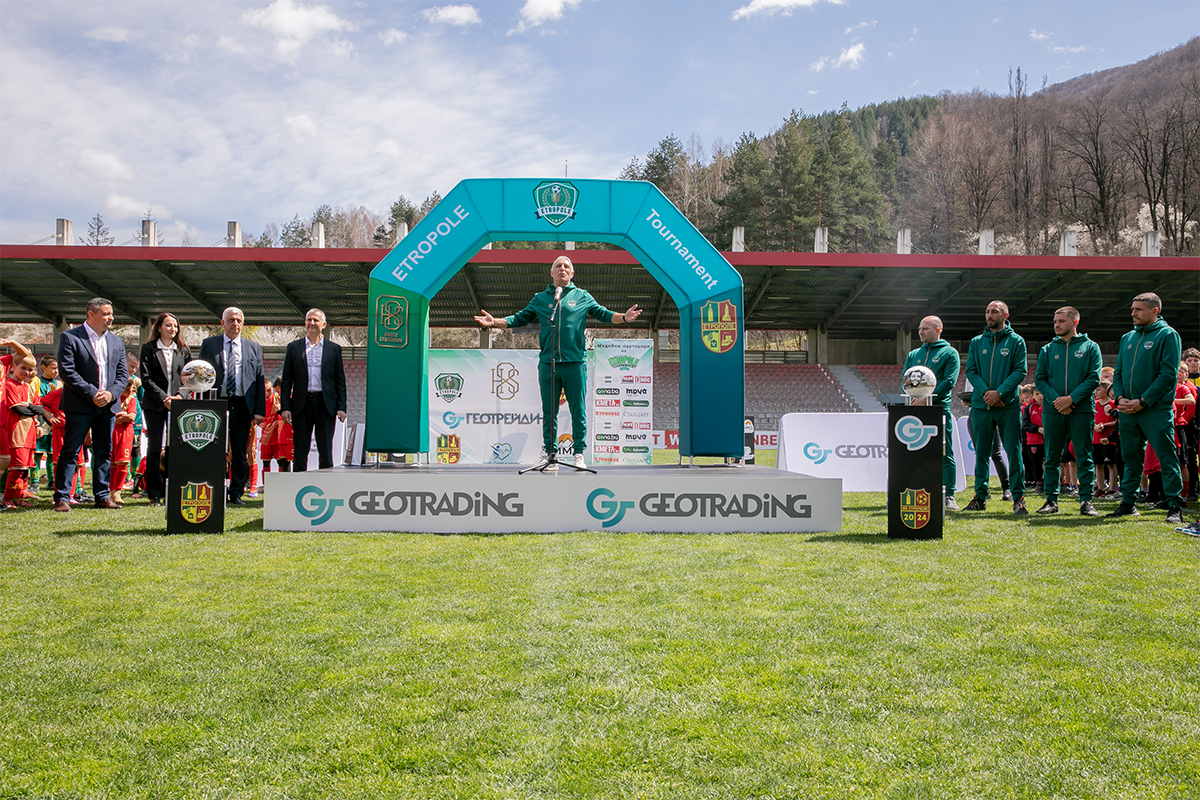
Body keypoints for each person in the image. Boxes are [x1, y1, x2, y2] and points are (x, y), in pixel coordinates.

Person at [474, 255, 642, 470]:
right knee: (549, 412)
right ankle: (551, 455)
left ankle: (578, 454)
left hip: (575, 363)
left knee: (577, 411)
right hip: (548, 363)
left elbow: (604, 314)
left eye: (566, 266)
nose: (562, 269)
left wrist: (625, 317)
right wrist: (494, 322)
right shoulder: (540, 298)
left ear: (572, 274)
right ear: (551, 273)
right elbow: (519, 318)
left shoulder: (582, 296)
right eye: (558, 266)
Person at [1109, 292, 1184, 523]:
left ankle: (1174, 506)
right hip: (1128, 409)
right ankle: (1128, 503)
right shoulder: (1127, 337)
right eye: (1132, 309)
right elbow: (1118, 371)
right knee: (1130, 458)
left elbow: (1168, 375)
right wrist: (1120, 398)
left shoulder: (1168, 335)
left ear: (1155, 311)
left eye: (1138, 309)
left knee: (1166, 457)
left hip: (1154, 409)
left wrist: (1143, 401)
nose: (1133, 313)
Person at [53, 298, 128, 512]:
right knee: (71, 450)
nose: (111, 318)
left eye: (111, 314)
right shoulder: (70, 337)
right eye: (106, 314)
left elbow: (123, 375)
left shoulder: (116, 341)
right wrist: (93, 393)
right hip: (80, 404)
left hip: (108, 405)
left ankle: (102, 495)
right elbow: (67, 371)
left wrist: (111, 395)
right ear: (91, 314)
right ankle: (62, 497)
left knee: (104, 451)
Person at [1034, 306, 1102, 516]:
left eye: (1061, 321)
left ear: (1074, 322)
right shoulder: (1047, 349)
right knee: (1052, 457)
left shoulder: (1091, 347)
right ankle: (1051, 500)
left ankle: (1086, 501)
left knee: (1084, 455)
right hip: (1053, 410)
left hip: (1080, 409)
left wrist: (1071, 399)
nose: (1057, 325)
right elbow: (1040, 379)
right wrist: (1057, 401)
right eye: (1055, 321)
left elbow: (1093, 378)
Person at [963, 300, 1028, 513]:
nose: (989, 315)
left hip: (1007, 405)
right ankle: (979, 497)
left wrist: (999, 393)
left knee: (1013, 451)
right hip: (982, 406)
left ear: (1005, 315)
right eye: (987, 311)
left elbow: (1020, 371)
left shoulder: (1016, 341)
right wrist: (985, 393)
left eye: (994, 311)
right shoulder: (976, 342)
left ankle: (1018, 498)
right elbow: (971, 371)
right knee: (981, 453)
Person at [198, 307, 265, 506]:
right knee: (212, 448)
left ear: (243, 324)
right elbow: (201, 376)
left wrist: (259, 410)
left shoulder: (253, 347)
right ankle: (212, 489)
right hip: (216, 402)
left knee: (239, 451)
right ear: (222, 323)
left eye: (238, 320)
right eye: (231, 320)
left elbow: (259, 381)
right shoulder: (209, 344)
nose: (235, 324)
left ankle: (235, 493)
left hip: (242, 404)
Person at [904, 315, 961, 510]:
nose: (921, 332)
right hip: (915, 411)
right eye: (920, 329)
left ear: (938, 330)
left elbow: (949, 382)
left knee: (945, 452)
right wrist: (913, 398)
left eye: (925, 329)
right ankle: (913, 490)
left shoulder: (950, 353)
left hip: (938, 410)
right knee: (913, 453)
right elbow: (905, 380)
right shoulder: (913, 355)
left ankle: (949, 495)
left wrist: (926, 399)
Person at [280, 309, 347, 471]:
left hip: (326, 404)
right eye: (309, 320)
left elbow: (340, 380)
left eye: (316, 320)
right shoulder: (294, 348)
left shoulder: (334, 349)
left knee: (325, 449)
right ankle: (298, 485)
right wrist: (285, 407)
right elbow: (287, 380)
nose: (312, 323)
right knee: (301, 448)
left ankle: (326, 486)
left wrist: (341, 406)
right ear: (305, 323)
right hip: (301, 404)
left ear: (323, 325)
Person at [138, 313, 191, 507]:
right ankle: (154, 493)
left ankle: (175, 489)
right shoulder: (149, 349)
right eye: (168, 325)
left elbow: (190, 377)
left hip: (179, 404)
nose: (173, 329)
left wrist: (179, 396)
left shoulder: (183, 350)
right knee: (153, 448)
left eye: (175, 326)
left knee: (177, 447)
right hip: (155, 405)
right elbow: (146, 378)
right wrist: (164, 398)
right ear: (159, 327)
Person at [1, 339, 39, 508]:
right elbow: (20, 409)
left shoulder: (28, 386)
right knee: (16, 466)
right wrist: (36, 410)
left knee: (25, 468)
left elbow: (37, 406)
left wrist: (35, 413)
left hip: (28, 430)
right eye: (23, 368)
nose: (26, 372)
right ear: (13, 367)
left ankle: (18, 496)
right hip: (16, 430)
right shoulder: (10, 384)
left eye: (29, 369)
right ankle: (7, 497)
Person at [30, 355, 61, 494]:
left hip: (57, 424)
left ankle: (52, 480)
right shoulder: (37, 382)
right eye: (53, 368)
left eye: (57, 368)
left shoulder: (60, 384)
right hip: (42, 422)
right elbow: (37, 401)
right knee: (37, 452)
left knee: (52, 452)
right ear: (43, 368)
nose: (56, 371)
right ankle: (35, 482)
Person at [109, 375, 140, 506]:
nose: (130, 389)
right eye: (127, 387)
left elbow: (131, 416)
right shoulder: (113, 398)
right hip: (112, 431)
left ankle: (117, 491)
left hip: (126, 433)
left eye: (131, 387)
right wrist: (119, 415)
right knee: (111, 463)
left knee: (123, 462)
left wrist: (118, 416)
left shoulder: (131, 399)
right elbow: (109, 415)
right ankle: (109, 490)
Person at [261, 377, 294, 474]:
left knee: (288, 462)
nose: (267, 393)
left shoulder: (288, 400)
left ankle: (291, 484)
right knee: (281, 463)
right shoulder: (261, 402)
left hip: (288, 437)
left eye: (269, 390)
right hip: (276, 438)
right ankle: (270, 485)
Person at [1093, 380, 1118, 497]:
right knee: (1098, 464)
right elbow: (1091, 419)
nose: (1096, 392)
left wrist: (1104, 425)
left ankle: (1112, 488)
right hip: (1096, 438)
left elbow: (1117, 420)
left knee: (1111, 463)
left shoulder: (1113, 404)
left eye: (1098, 389)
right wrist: (1095, 426)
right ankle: (1100, 487)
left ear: (1106, 389)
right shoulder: (1095, 404)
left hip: (1109, 438)